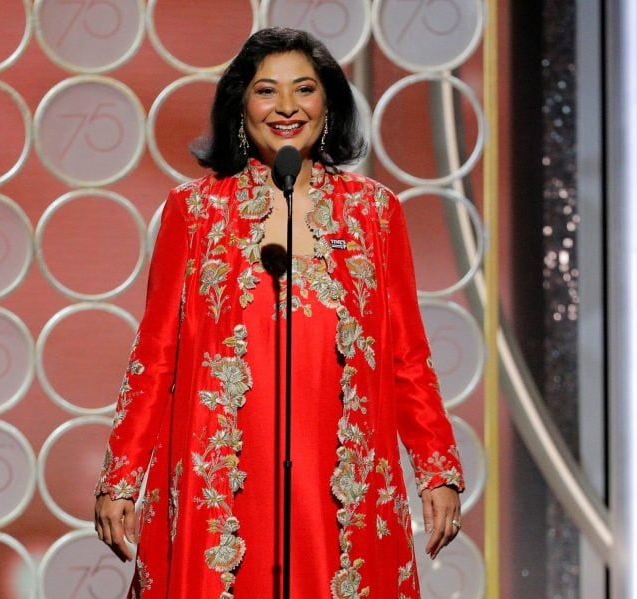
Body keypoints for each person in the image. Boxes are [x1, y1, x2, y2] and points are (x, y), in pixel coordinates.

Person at [94, 27, 464, 599]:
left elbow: (406, 355)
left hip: (339, 480)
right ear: (241, 104)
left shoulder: (374, 213)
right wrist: (122, 478)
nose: (287, 107)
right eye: (268, 91)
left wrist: (437, 470)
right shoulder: (194, 213)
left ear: (329, 104)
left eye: (305, 90)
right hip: (222, 478)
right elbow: (155, 353)